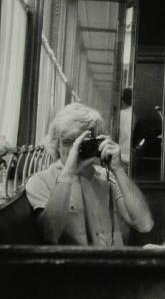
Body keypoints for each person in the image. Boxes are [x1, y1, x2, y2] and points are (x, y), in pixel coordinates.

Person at [25, 103, 154, 246]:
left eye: (81, 143)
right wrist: (68, 173)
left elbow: (145, 224)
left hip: (110, 265)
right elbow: (49, 235)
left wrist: (118, 170)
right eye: (68, 142)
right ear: (56, 145)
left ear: (97, 142)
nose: (75, 150)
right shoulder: (40, 181)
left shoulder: (107, 177)